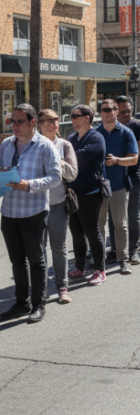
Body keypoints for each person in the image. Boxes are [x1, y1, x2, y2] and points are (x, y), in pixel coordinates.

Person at [0, 104, 62, 323]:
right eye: (12, 122)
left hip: (33, 212)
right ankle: (21, 302)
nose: (14, 126)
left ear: (33, 122)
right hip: (9, 212)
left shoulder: (45, 145)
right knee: (17, 261)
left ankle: (38, 304)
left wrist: (30, 185)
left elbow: (56, 177)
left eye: (20, 122)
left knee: (36, 260)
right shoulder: (6, 144)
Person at [37, 109, 78, 304]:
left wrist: (59, 163)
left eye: (56, 120)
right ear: (39, 124)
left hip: (58, 203)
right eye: (49, 120)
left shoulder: (64, 145)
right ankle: (41, 290)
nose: (54, 123)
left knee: (58, 248)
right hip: (36, 205)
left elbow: (73, 174)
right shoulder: (32, 145)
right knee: (39, 250)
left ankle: (62, 287)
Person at [96, 99, 139, 274]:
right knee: (99, 226)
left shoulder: (126, 132)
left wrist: (117, 161)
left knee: (120, 225)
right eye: (104, 110)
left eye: (110, 109)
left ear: (116, 111)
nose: (107, 113)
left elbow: (134, 159)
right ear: (100, 113)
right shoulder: (95, 133)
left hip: (118, 185)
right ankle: (99, 261)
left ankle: (123, 259)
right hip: (98, 187)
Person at [67, 104, 109, 286]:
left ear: (87, 118)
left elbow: (79, 159)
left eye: (76, 116)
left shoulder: (96, 137)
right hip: (73, 192)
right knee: (76, 232)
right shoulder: (72, 138)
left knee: (92, 231)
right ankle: (80, 267)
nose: (73, 120)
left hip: (91, 192)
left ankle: (100, 270)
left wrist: (63, 159)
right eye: (72, 116)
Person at [115, 96, 140, 265]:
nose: (126, 114)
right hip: (114, 176)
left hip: (133, 175)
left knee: (133, 214)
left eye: (128, 110)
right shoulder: (110, 127)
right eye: (122, 111)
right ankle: (115, 250)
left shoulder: (138, 126)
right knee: (115, 216)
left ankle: (133, 250)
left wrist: (122, 158)